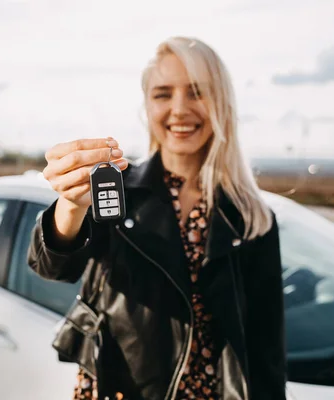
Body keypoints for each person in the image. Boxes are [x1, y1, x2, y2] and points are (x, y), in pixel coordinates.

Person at [28, 36, 286, 400]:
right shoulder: (120, 193)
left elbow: (266, 351)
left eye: (197, 92)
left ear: (222, 104)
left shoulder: (251, 219)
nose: (179, 109)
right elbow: (52, 268)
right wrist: (71, 205)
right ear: (147, 106)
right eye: (163, 94)